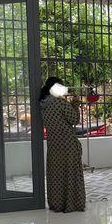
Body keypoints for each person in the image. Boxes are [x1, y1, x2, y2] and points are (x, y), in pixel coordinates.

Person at [39, 77, 86, 213]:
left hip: (53, 143)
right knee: (71, 172)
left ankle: (57, 203)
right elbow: (74, 119)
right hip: (67, 143)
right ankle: (72, 203)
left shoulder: (42, 104)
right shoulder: (60, 102)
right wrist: (75, 104)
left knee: (56, 174)